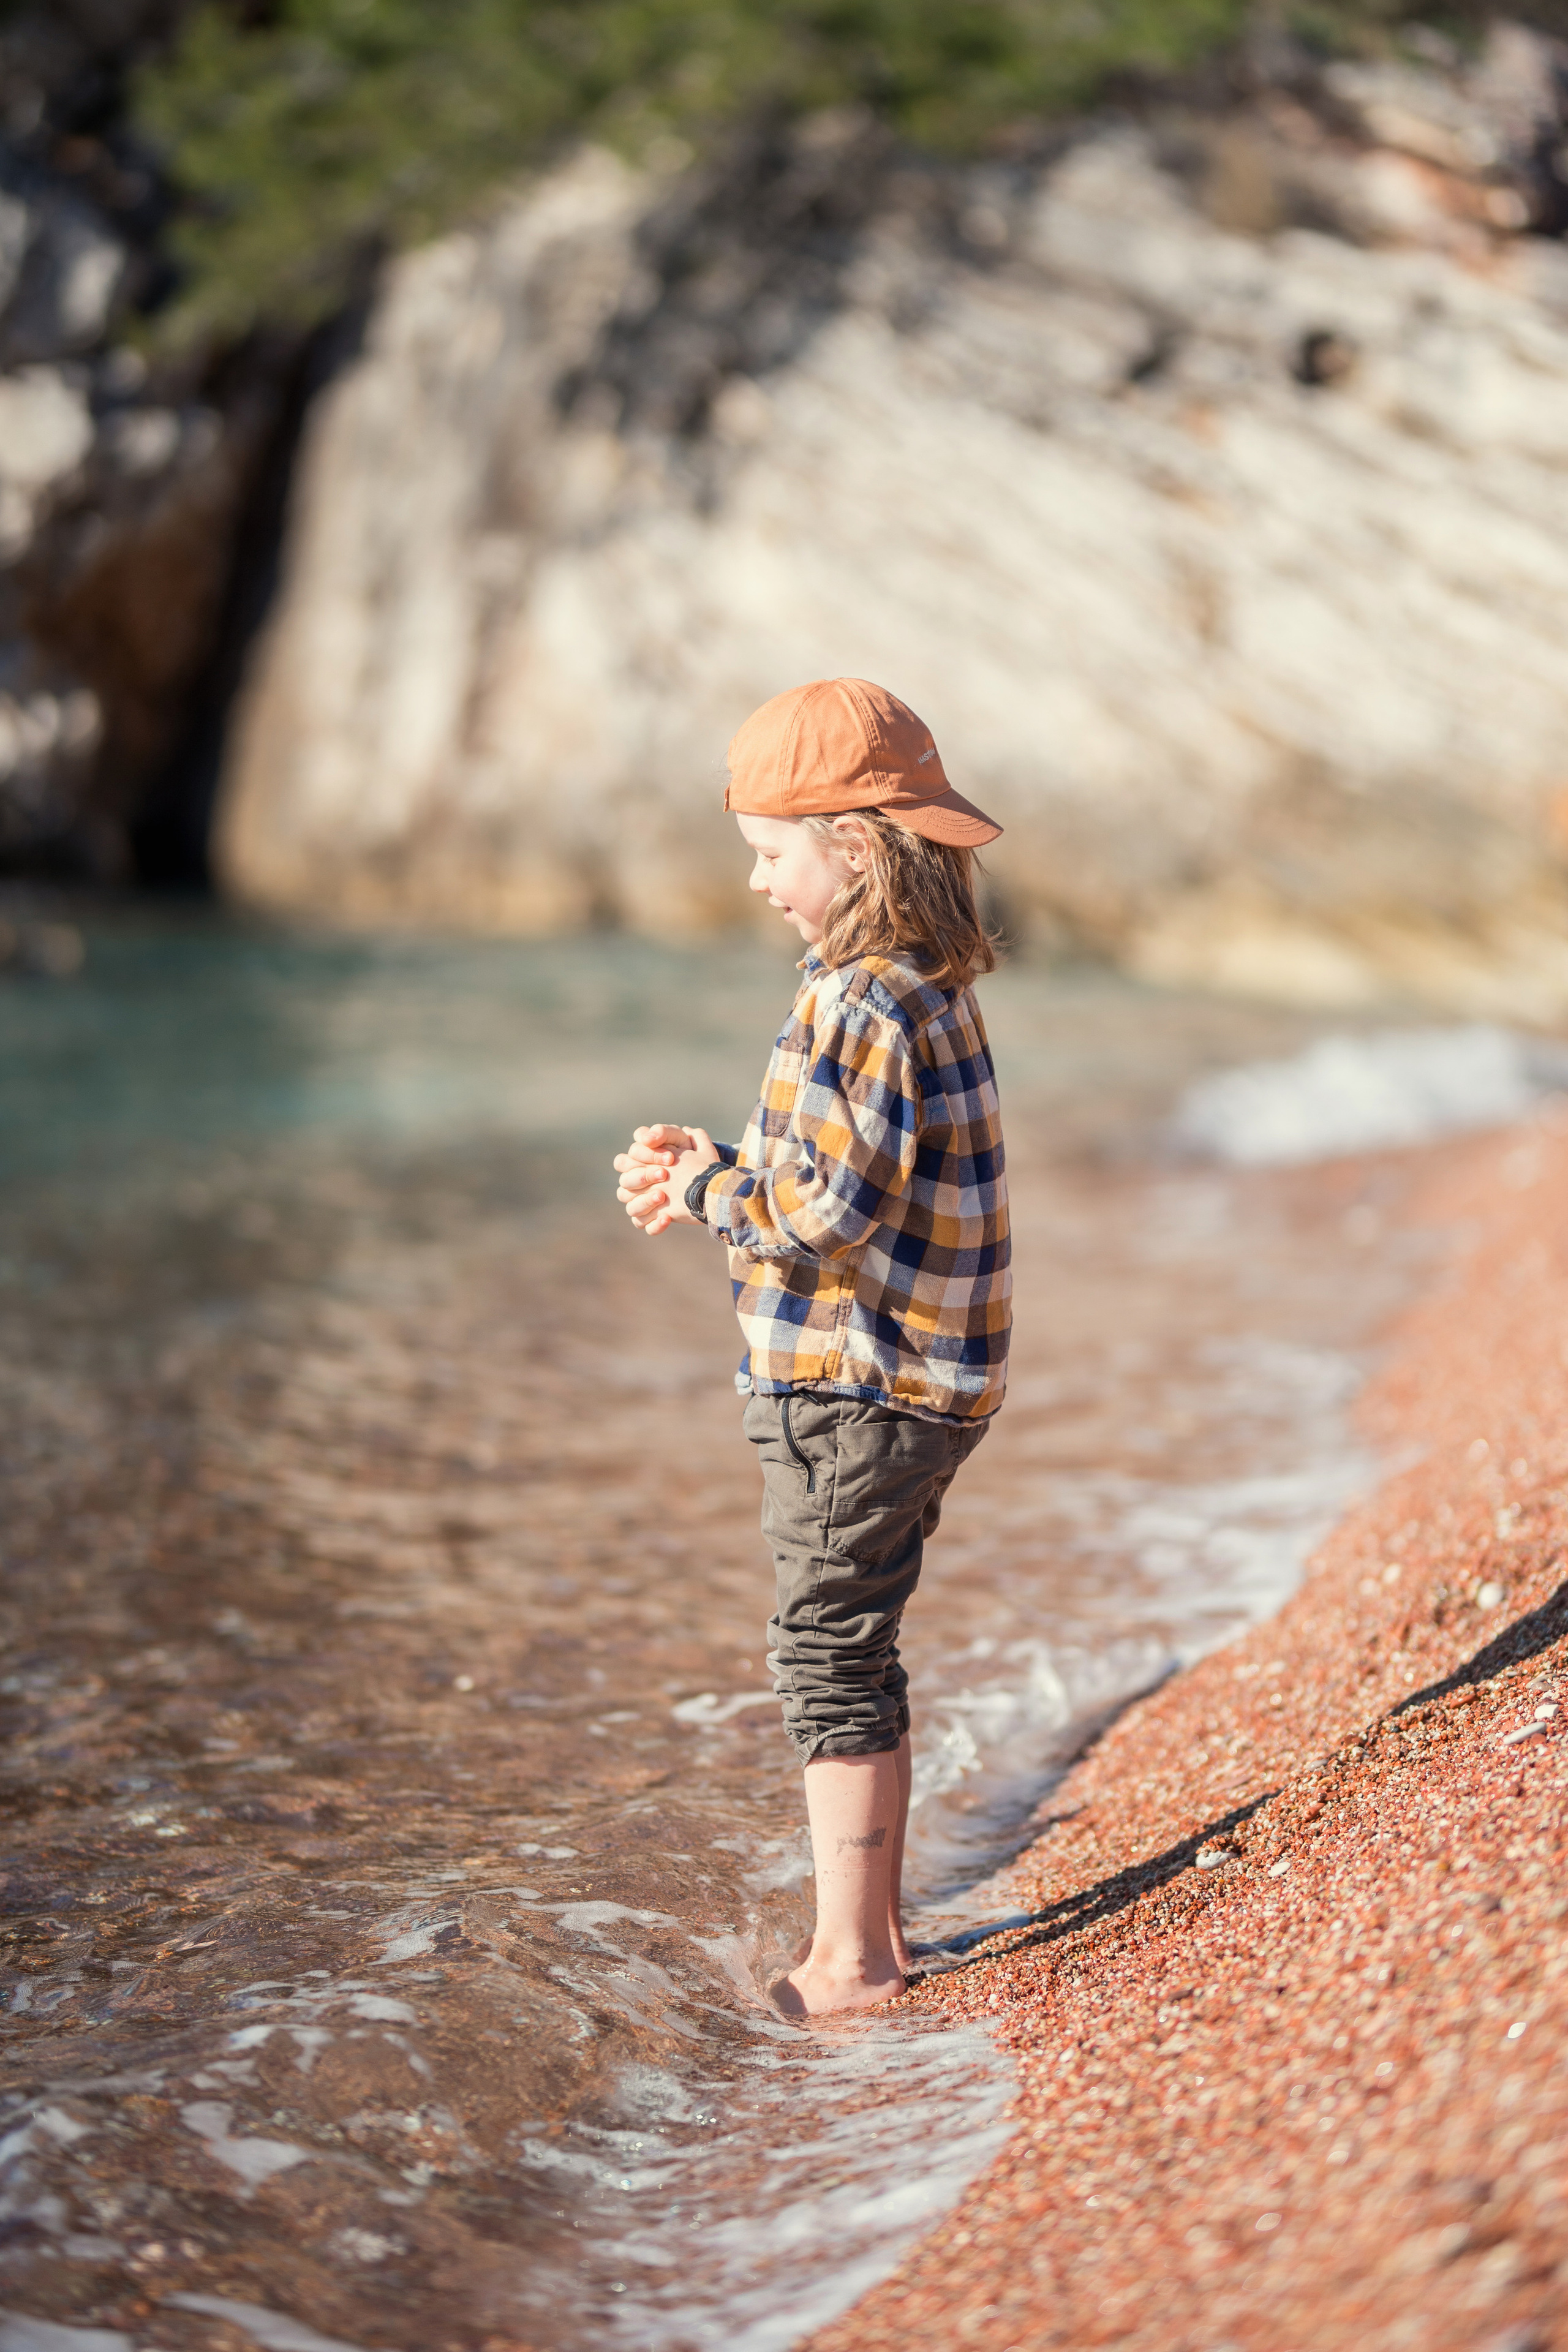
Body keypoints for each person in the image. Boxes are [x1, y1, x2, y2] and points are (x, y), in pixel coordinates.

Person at [612, 677, 1011, 2017]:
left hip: (854, 1385)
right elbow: (852, 1175)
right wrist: (731, 1161)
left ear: (853, 844)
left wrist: (707, 1195)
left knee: (827, 1649)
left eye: (769, 851)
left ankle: (852, 1959)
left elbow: (828, 1209)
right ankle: (875, 1934)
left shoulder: (858, 1002)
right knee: (853, 1636)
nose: (753, 880)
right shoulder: (919, 986)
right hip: (916, 1378)